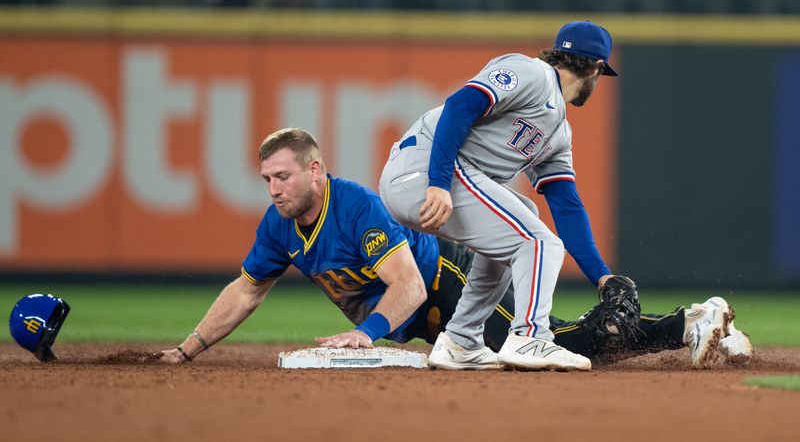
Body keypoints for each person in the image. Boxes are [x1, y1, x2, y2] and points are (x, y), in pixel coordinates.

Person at [159, 128, 753, 368]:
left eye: (282, 177)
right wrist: (186, 351)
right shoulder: (278, 226)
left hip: (445, 279)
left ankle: (688, 324)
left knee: (551, 347)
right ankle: (694, 324)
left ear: (315, 169)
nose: (273, 189)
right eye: (266, 179)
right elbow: (246, 289)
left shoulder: (355, 205)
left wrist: (366, 335)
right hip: (413, 316)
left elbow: (409, 286)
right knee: (542, 345)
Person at [378, 20, 735, 371]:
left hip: (436, 177)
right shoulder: (533, 73)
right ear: (597, 67)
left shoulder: (558, 133)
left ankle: (461, 341)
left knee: (526, 217)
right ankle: (530, 336)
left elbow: (566, 205)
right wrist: (438, 182)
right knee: (539, 242)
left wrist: (602, 277)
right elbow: (460, 105)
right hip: (424, 172)